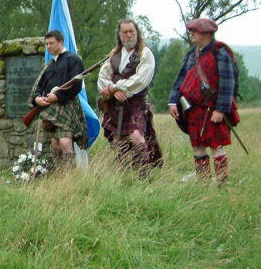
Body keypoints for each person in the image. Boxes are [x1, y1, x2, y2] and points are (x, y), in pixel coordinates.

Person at [168, 18, 239, 183]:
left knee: (216, 146)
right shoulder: (193, 53)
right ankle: (203, 181)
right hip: (194, 109)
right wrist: (172, 101)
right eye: (191, 30)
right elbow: (181, 79)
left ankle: (222, 181)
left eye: (196, 30)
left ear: (207, 32)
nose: (191, 33)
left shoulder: (221, 52)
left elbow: (228, 83)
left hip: (213, 109)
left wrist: (221, 109)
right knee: (197, 146)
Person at [97, 19, 163, 177]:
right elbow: (103, 77)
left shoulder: (144, 53)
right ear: (120, 35)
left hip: (136, 104)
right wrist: (112, 91)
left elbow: (141, 79)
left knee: (136, 137)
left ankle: (143, 175)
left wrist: (117, 86)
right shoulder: (114, 54)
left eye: (131, 31)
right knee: (118, 141)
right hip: (116, 104)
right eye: (125, 32)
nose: (129, 35)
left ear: (137, 33)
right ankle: (125, 175)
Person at [29, 30, 88, 171]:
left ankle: (70, 178)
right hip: (51, 110)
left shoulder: (73, 59)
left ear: (61, 42)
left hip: (67, 107)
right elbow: (40, 85)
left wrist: (58, 97)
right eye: (47, 44)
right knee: (55, 144)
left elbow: (76, 85)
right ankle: (61, 176)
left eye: (51, 43)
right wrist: (37, 98)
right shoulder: (49, 64)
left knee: (65, 142)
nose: (48, 47)